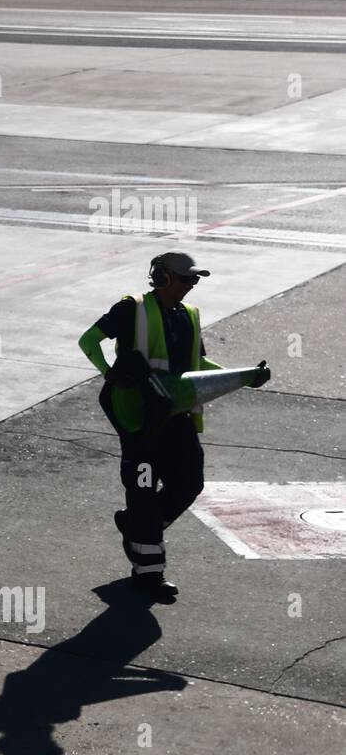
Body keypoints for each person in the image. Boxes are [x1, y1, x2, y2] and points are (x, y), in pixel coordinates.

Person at [77, 252, 268, 600]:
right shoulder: (131, 309)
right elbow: (88, 341)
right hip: (139, 415)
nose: (191, 286)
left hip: (175, 411)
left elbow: (197, 361)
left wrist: (243, 376)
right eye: (185, 279)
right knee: (143, 490)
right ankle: (148, 575)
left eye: (194, 280)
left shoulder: (189, 315)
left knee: (189, 482)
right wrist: (111, 375)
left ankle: (137, 527)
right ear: (163, 277)